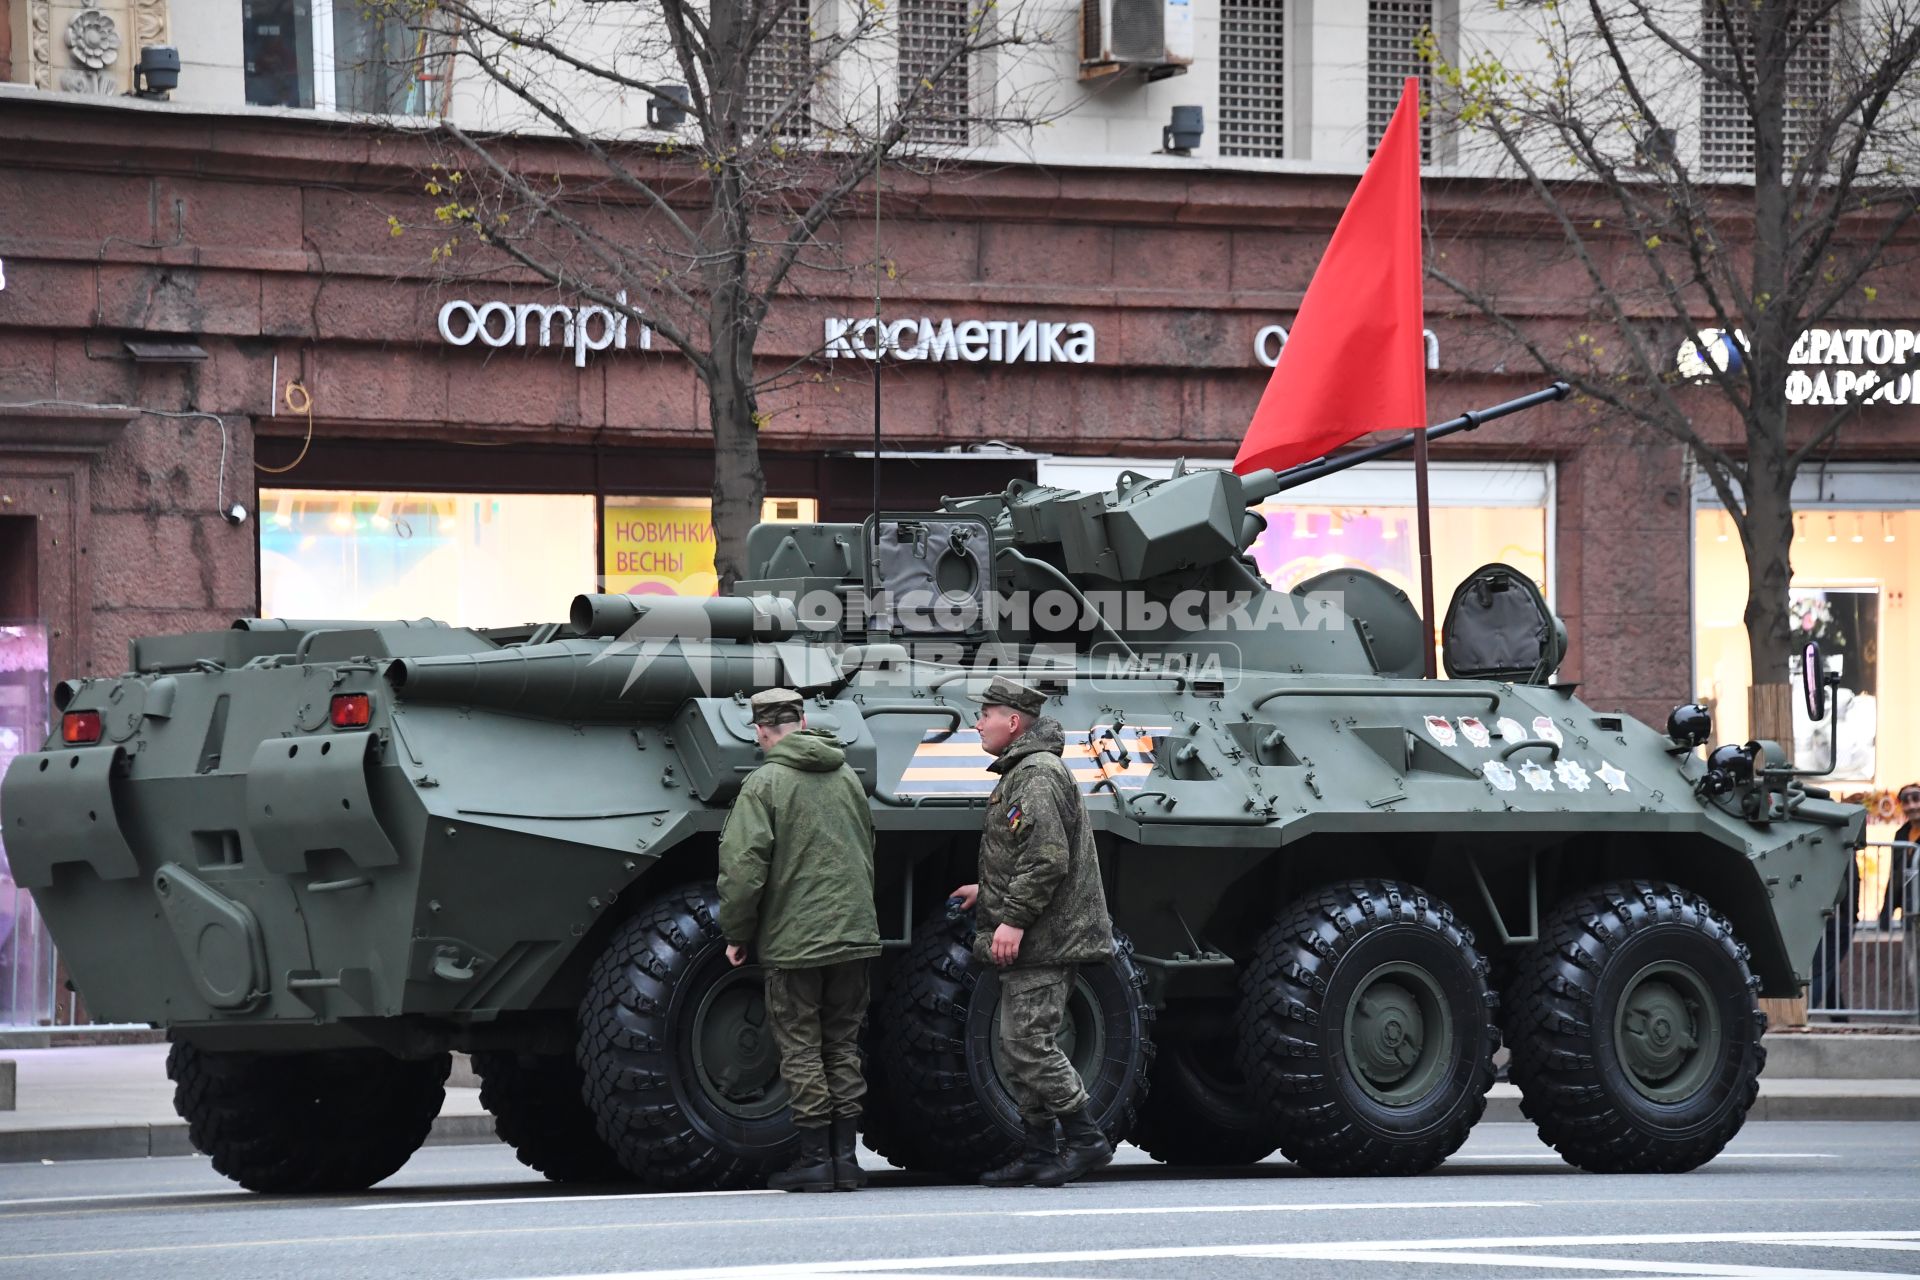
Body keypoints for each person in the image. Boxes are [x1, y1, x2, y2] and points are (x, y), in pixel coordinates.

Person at [949, 675, 1115, 1189]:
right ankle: (1039, 1149)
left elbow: (1046, 859)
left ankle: (1085, 1140)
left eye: (986, 714)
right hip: (1041, 929)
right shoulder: (1023, 772)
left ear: (1013, 722)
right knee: (1017, 1044)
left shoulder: (1036, 775)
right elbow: (1026, 853)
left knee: (1028, 1042)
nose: (978, 723)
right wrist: (988, 890)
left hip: (1048, 936)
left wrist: (1013, 920)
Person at [718, 688, 880, 1193]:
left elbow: (743, 870)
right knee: (842, 1044)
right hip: (854, 933)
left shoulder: (764, 783)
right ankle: (846, 1159)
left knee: (802, 1047)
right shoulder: (848, 774)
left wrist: (737, 932)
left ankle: (815, 1159)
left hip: (796, 940)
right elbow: (867, 844)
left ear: (761, 731)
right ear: (805, 721)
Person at [1879, 783, 1920, 930]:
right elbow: (1896, 874)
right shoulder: (1901, 834)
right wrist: (1886, 912)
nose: (1912, 806)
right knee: (1910, 952)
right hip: (1909, 911)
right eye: (1906, 801)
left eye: (1916, 799)